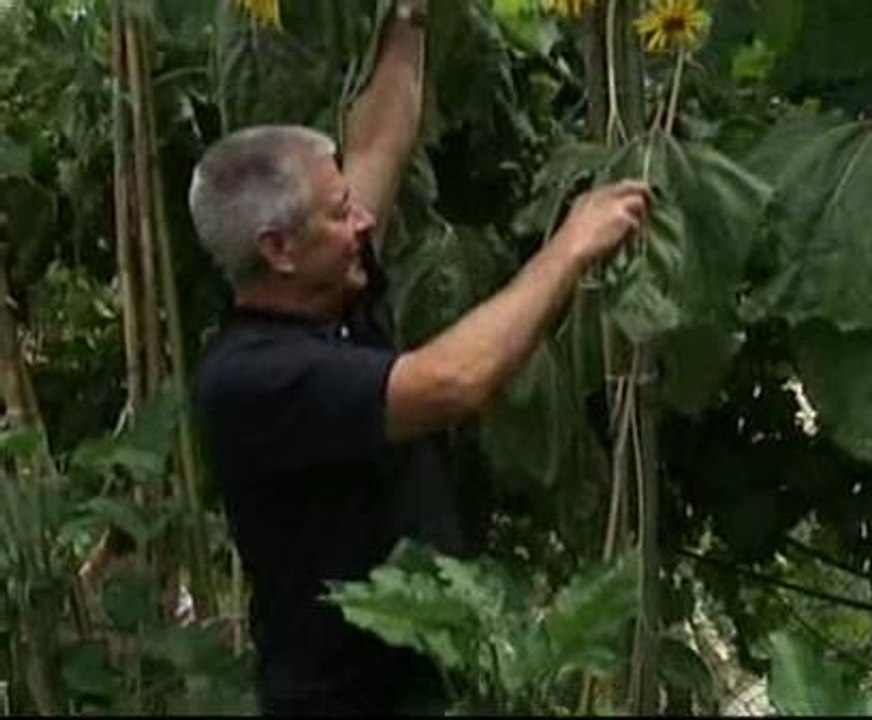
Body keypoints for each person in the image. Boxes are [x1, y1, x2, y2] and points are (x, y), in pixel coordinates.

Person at [188, 0, 650, 714]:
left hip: (424, 674)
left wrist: (409, 16)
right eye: (340, 213)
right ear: (277, 249)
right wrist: (571, 245)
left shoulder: (325, 291)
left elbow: (377, 144)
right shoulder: (253, 377)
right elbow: (451, 382)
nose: (363, 221)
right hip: (343, 702)